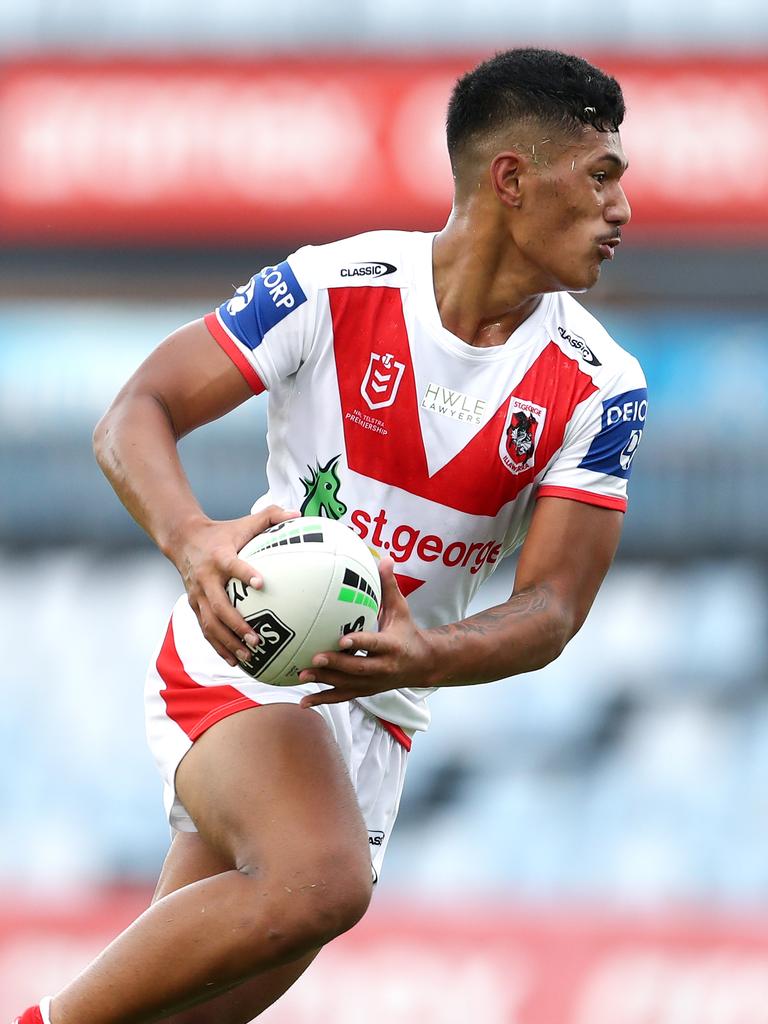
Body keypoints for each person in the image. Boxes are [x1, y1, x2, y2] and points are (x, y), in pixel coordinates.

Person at [15, 46, 646, 1024]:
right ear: (512, 180)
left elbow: (554, 606)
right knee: (322, 883)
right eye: (601, 175)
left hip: (379, 718)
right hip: (253, 662)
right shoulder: (333, 286)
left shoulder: (602, 387)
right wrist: (192, 541)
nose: (623, 210)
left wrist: (426, 652)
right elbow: (135, 409)